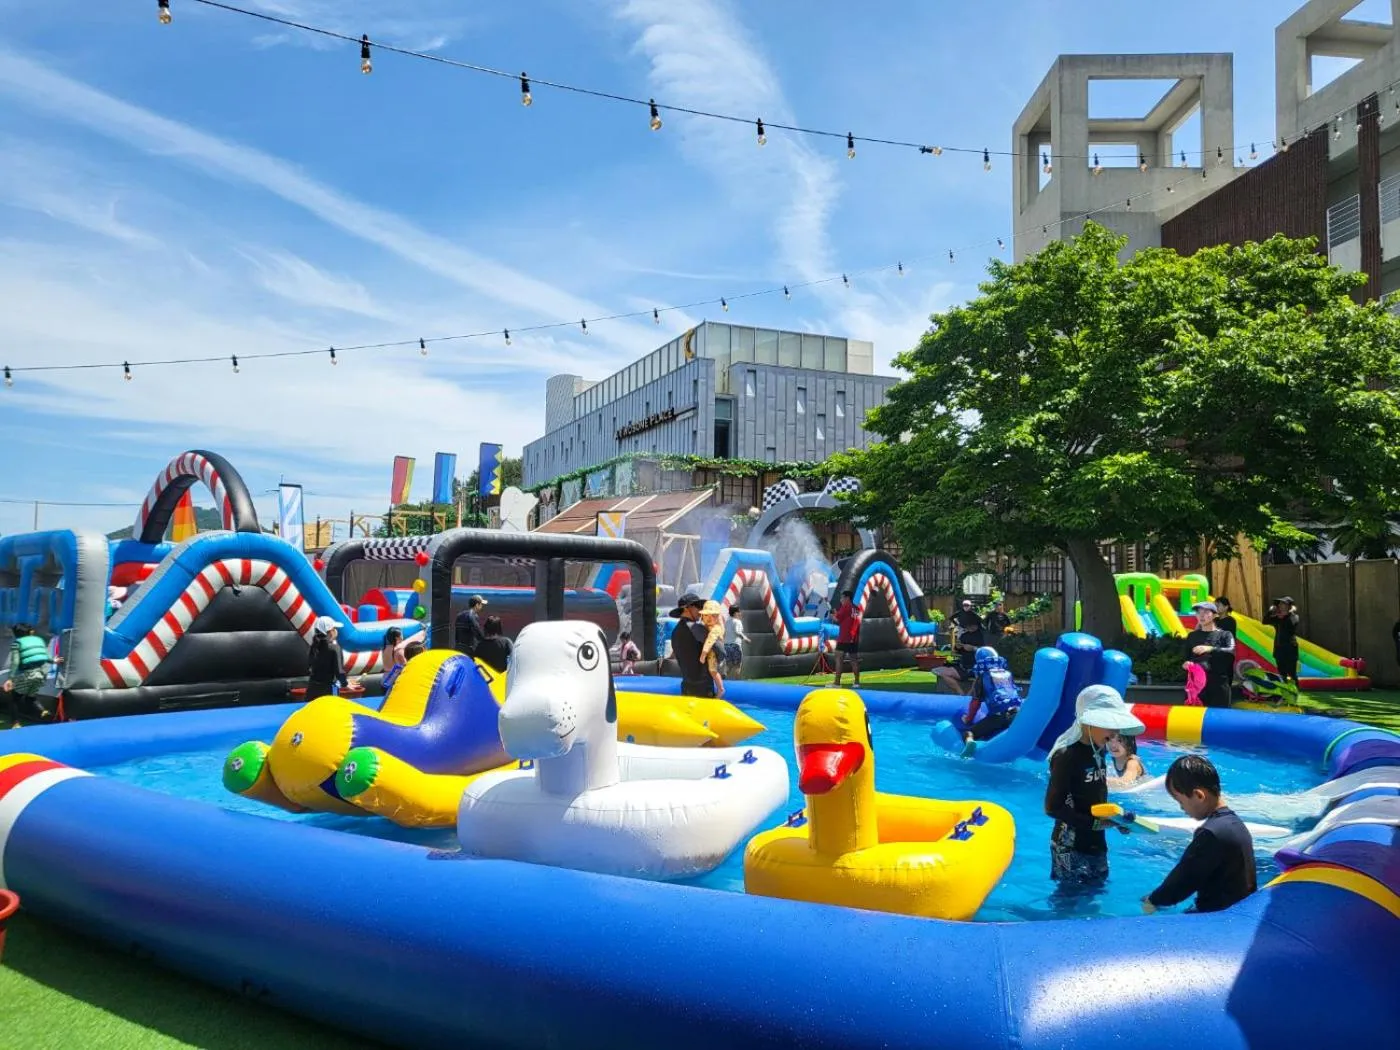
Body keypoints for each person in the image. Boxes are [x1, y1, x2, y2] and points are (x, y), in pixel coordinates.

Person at [1044, 685, 1145, 896]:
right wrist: (1097, 823)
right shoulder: (1066, 756)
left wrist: (1116, 820)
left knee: (1095, 892)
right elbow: (1052, 807)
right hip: (1069, 845)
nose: (1114, 733)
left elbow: (1094, 798)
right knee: (1069, 899)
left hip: (1095, 840)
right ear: (1087, 722)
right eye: (1109, 725)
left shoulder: (1098, 750)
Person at [1142, 755, 1257, 914]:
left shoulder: (1211, 834)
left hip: (1217, 918)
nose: (1182, 808)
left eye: (1181, 802)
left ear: (1199, 796)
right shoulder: (1235, 823)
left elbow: (1181, 883)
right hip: (1238, 911)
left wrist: (1153, 899)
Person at [958, 646, 1021, 752]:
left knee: (967, 733)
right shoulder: (1007, 674)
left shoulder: (982, 678)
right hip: (1016, 713)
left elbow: (975, 703)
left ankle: (970, 742)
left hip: (998, 716)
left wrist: (968, 719)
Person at [1183, 601, 1235, 708]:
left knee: (1220, 721)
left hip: (1218, 686)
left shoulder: (1225, 635)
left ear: (1215, 615)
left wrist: (1210, 648)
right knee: (1195, 721)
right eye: (1198, 612)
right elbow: (1185, 658)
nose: (1201, 615)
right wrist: (1186, 664)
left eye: (1206, 612)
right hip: (1197, 687)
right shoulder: (1192, 636)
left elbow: (1231, 651)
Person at [3, 624, 55, 728]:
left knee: (14, 699)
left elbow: (15, 662)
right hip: (40, 675)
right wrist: (54, 660)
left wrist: (10, 679)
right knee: (30, 698)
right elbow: (46, 656)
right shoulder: (38, 640)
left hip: (27, 674)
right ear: (30, 632)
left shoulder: (17, 644)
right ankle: (43, 711)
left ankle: (15, 723)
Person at [667, 592, 713, 698]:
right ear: (687, 608)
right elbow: (720, 651)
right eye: (698, 606)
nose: (701, 611)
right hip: (703, 689)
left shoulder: (675, 632)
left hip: (687, 688)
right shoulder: (697, 629)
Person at [306, 616, 350, 701]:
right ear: (330, 632)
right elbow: (339, 671)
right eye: (334, 628)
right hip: (328, 691)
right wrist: (345, 684)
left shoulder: (314, 646)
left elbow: (309, 666)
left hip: (312, 690)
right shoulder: (334, 648)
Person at [831, 589, 863, 688]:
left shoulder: (846, 606)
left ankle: (837, 683)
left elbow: (837, 618)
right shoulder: (856, 608)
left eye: (842, 597)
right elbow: (846, 619)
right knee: (854, 659)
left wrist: (833, 615)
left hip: (844, 637)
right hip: (854, 637)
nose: (841, 600)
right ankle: (857, 682)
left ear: (847, 598)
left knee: (839, 657)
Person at [698, 600, 727, 698]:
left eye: (713, 616)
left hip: (712, 653)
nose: (709, 618)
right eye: (706, 615)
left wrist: (703, 653)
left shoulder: (716, 628)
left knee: (712, 670)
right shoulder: (710, 626)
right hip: (711, 652)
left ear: (717, 617)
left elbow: (710, 640)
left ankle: (721, 689)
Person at [1270, 596, 1300, 685]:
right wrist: (1272, 611)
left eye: (1283, 603)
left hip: (1290, 649)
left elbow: (1290, 625)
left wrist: (1288, 613)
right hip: (1279, 648)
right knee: (1281, 673)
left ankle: (1295, 691)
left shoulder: (1294, 617)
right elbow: (1265, 620)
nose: (1280, 605)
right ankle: (1284, 693)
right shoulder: (1277, 618)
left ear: (1288, 606)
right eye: (1279, 604)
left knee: (1291, 673)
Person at [722, 603, 748, 679]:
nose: (740, 613)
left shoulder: (727, 622)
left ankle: (724, 674)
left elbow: (724, 633)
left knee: (728, 664)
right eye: (739, 611)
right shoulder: (737, 621)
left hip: (726, 645)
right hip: (735, 645)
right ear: (736, 613)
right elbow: (737, 631)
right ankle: (737, 681)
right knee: (738, 664)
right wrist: (745, 638)